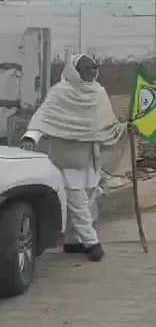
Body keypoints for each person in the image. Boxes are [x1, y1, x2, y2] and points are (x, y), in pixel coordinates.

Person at [23, 54, 124, 262]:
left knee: (86, 201)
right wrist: (31, 137)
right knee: (77, 202)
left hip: (90, 159)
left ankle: (71, 241)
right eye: (87, 68)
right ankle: (92, 243)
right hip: (66, 158)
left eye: (94, 67)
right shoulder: (60, 92)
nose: (92, 71)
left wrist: (126, 128)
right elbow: (43, 117)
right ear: (74, 70)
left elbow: (107, 125)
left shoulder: (99, 93)